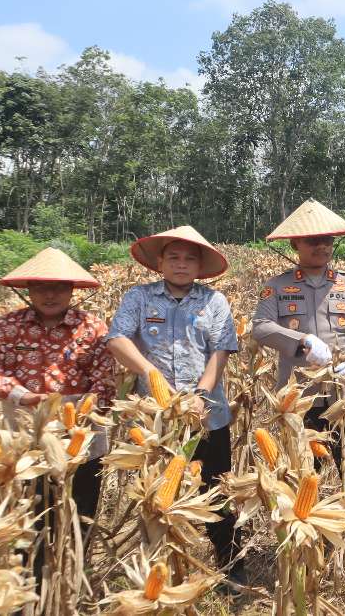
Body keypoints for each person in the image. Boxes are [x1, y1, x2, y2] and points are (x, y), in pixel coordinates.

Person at [106, 226, 244, 582]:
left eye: (189, 259)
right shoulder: (139, 297)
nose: (181, 264)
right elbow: (117, 339)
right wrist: (150, 373)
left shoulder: (214, 301)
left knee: (216, 492)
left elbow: (221, 351)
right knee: (158, 495)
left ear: (199, 265)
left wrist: (200, 395)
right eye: (174, 257)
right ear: (160, 263)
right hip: (156, 420)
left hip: (207, 416)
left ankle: (231, 567)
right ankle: (161, 573)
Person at [0, 248, 116, 545]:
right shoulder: (8, 326)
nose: (50, 295)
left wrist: (82, 411)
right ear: (28, 289)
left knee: (80, 513)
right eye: (41, 287)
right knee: (32, 515)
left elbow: (105, 379)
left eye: (59, 288)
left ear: (72, 290)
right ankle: (33, 569)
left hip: (81, 435)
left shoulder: (92, 328)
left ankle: (76, 567)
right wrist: (23, 396)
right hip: (26, 434)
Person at [250, 200, 345, 476]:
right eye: (313, 241)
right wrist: (302, 340)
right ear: (295, 244)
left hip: (344, 393)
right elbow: (260, 327)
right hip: (300, 396)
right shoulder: (278, 286)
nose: (322, 246)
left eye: (327, 240)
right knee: (302, 474)